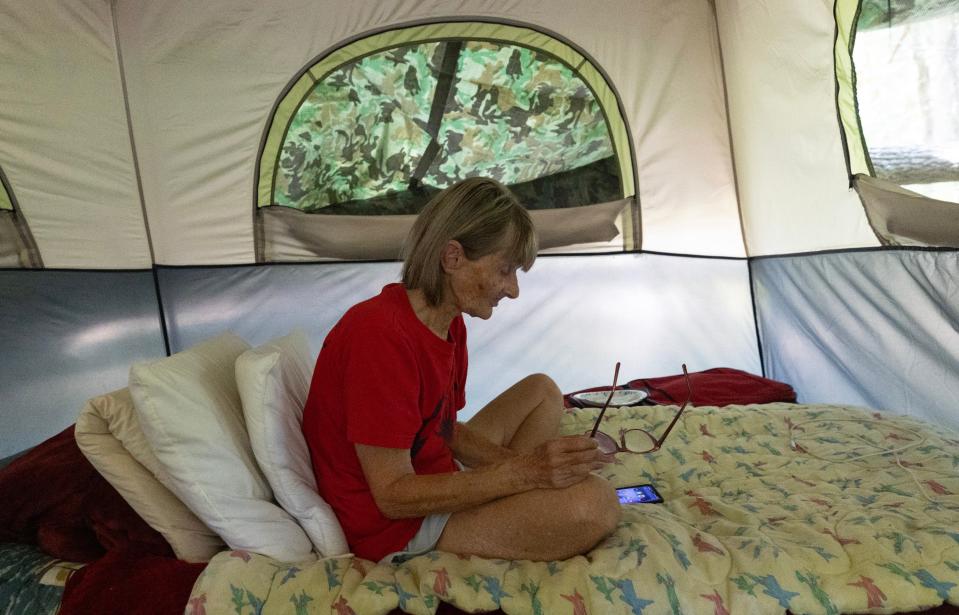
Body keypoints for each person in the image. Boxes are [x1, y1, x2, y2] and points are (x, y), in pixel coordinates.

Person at [302, 177, 620, 564]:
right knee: (596, 504)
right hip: (396, 525)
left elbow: (443, 429)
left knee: (542, 391)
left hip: (431, 473)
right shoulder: (378, 336)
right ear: (452, 258)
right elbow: (391, 496)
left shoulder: (448, 323)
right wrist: (523, 474)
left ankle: (520, 497)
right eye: (505, 270)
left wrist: (526, 468)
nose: (514, 290)